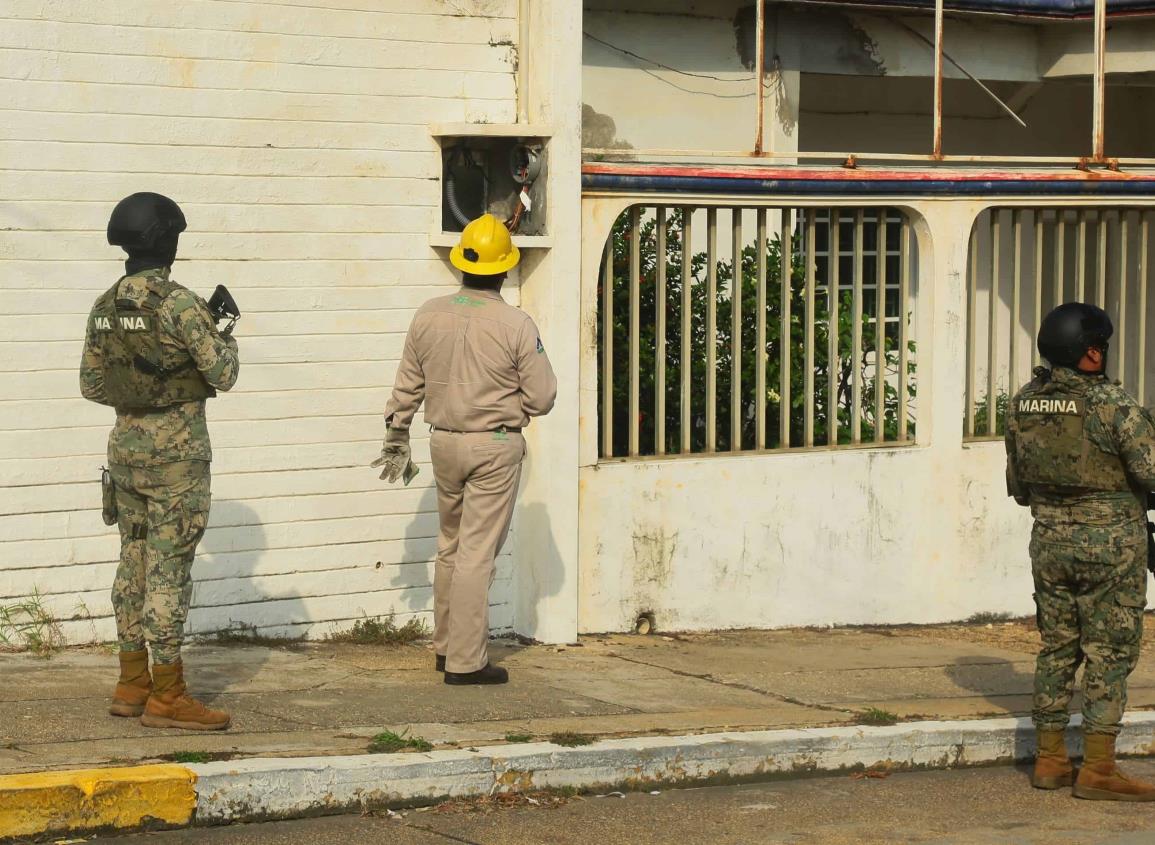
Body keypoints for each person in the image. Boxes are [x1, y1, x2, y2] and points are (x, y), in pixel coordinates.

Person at [374, 213, 556, 685]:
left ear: (460, 264)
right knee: (477, 553)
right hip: (493, 444)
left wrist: (397, 434)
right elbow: (543, 398)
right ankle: (466, 661)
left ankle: (444, 646)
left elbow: (407, 386)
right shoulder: (516, 324)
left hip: (444, 444)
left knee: (450, 546)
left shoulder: (427, 314)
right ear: (505, 268)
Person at [80, 192, 240, 730]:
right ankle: (169, 696)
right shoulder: (178, 304)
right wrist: (226, 335)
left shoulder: (104, 306)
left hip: (125, 454)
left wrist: (140, 393)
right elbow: (223, 374)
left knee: (133, 560)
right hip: (176, 461)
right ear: (166, 239)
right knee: (169, 572)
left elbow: (92, 384)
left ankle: (131, 683)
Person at [1006, 302, 1155, 800]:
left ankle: (1050, 759)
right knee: (1108, 652)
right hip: (1111, 544)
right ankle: (1098, 769)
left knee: (1057, 647)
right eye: (1101, 347)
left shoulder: (1024, 403)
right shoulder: (1114, 404)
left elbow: (1019, 484)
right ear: (1091, 354)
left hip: (1048, 540)